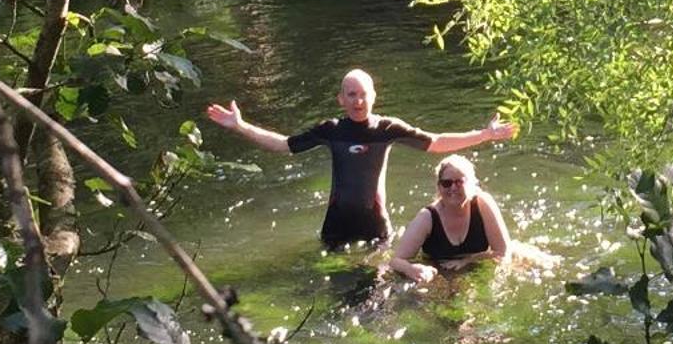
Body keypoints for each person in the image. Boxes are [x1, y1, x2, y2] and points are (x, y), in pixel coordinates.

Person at [204, 68, 517, 250]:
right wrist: (240, 126)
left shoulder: (386, 129)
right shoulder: (332, 130)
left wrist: (484, 134)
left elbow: (436, 142)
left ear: (374, 96)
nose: (358, 100)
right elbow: (284, 145)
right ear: (341, 99)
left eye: (364, 93)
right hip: (336, 226)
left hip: (375, 226)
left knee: (376, 301)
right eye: (351, 94)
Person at [386, 156, 511, 283]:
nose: (453, 188)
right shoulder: (427, 217)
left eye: (459, 182)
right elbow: (395, 261)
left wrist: (467, 261)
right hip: (440, 272)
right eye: (447, 183)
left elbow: (502, 252)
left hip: (476, 266)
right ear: (439, 187)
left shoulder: (483, 203)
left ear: (472, 183)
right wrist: (411, 269)